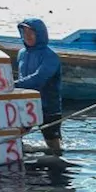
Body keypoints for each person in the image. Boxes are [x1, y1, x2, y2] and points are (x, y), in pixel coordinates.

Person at [15, 18, 63, 156]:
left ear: (40, 34)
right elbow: (22, 76)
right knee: (15, 135)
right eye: (24, 33)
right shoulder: (22, 54)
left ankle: (57, 162)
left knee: (53, 144)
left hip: (48, 106)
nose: (27, 36)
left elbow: (38, 79)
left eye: (31, 33)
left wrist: (13, 84)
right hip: (26, 103)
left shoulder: (50, 57)